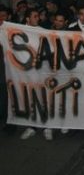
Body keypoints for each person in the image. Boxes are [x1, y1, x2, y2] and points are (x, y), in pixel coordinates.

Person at [20, 9, 54, 141]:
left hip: (41, 71)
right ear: (27, 19)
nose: (37, 19)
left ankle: (47, 126)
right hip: (25, 73)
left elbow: (51, 50)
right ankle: (32, 126)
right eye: (34, 17)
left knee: (44, 98)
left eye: (38, 16)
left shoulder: (42, 31)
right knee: (29, 99)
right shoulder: (18, 30)